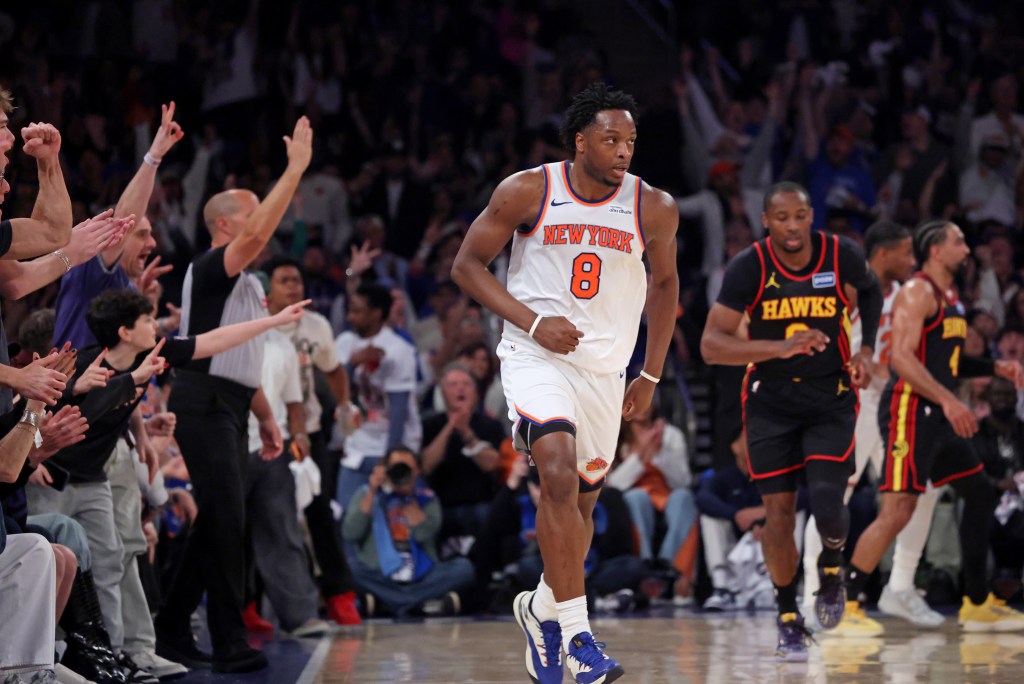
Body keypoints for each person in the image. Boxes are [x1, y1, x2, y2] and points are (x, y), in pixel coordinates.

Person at [452, 82, 680, 684]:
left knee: (577, 511)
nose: (623, 151)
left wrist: (649, 371)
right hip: (535, 357)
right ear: (580, 140)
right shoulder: (530, 189)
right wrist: (530, 322)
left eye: (630, 140)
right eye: (611, 139)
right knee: (554, 471)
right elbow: (466, 265)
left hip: (606, 372)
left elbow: (665, 288)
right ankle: (578, 636)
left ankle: (541, 608)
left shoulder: (652, 206)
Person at [153, 117, 313, 674]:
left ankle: (170, 626)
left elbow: (239, 358)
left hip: (231, 402)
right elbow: (259, 236)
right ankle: (226, 640)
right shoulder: (211, 267)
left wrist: (265, 416)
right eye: (251, 212)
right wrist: (295, 169)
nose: (264, 223)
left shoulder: (244, 283)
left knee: (220, 520)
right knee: (226, 521)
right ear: (225, 224)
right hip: (202, 402)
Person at [700, 181, 883, 661]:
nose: (793, 226)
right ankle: (787, 616)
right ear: (767, 221)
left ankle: (832, 567)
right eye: (782, 218)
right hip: (770, 403)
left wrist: (866, 349)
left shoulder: (840, 253)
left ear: (810, 216)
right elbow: (711, 345)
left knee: (826, 501)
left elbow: (871, 288)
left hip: (831, 397)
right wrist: (778, 346)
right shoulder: (750, 267)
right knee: (778, 515)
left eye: (800, 215)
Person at [838, 220, 1024, 635]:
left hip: (936, 414)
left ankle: (976, 602)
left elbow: (950, 362)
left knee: (978, 494)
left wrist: (996, 366)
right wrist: (948, 398)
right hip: (909, 410)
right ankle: (844, 604)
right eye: (958, 240)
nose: (966, 247)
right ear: (936, 251)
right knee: (897, 510)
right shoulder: (917, 291)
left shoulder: (951, 297)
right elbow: (901, 359)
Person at [801, 220, 944, 629]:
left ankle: (899, 587)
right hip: (850, 404)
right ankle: (815, 593)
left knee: (922, 491)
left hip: (894, 406)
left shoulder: (906, 295)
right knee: (833, 501)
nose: (912, 261)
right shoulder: (845, 288)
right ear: (883, 254)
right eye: (906, 253)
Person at [261, 255, 361, 625]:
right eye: (285, 280)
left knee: (320, 512)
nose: (293, 287)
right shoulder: (255, 324)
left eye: (298, 280)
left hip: (311, 430)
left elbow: (334, 372)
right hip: (266, 432)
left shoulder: (316, 326)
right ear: (267, 289)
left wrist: (346, 404)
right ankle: (250, 605)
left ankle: (341, 596)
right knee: (265, 517)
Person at [341, 445, 475, 617]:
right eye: (396, 468)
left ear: (417, 471)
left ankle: (389, 605)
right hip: (381, 574)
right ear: (385, 469)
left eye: (407, 469)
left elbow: (424, 535)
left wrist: (411, 502)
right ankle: (420, 604)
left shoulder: (427, 499)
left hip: (422, 577)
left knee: (464, 568)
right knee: (351, 569)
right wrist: (373, 491)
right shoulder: (366, 494)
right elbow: (350, 533)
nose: (401, 473)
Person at [334, 283, 422, 511]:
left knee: (392, 522)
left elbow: (399, 410)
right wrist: (352, 364)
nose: (350, 316)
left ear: (376, 313)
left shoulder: (398, 349)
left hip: (391, 446)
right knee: (349, 520)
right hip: (355, 447)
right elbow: (332, 393)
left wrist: (390, 457)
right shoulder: (344, 344)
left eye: (357, 311)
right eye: (350, 310)